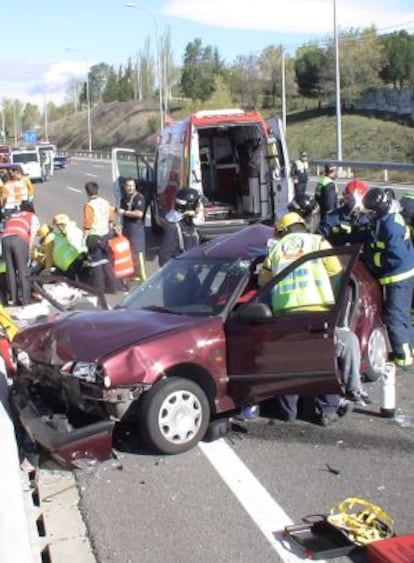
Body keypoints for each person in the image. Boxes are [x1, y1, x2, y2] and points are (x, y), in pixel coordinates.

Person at [258, 211, 358, 425]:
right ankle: (327, 411)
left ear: (282, 231)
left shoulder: (276, 249)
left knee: (288, 364)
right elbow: (336, 268)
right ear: (302, 226)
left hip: (286, 312)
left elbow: (263, 281)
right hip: (317, 308)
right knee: (320, 360)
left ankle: (288, 412)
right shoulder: (317, 241)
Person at [361, 187, 414, 372]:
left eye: (372, 211)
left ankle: (404, 361)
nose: (370, 215)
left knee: (395, 318)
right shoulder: (385, 218)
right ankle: (409, 349)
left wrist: (372, 260)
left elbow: (395, 256)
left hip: (398, 277)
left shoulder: (391, 225)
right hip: (397, 276)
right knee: (401, 316)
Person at [1, 201, 39, 305]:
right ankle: (26, 299)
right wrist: (29, 250)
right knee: (23, 270)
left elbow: (4, 228)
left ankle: (14, 299)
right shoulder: (32, 216)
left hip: (5, 239)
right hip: (19, 239)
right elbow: (32, 235)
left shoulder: (12, 216)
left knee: (11, 270)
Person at [83, 181, 118, 293]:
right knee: (107, 261)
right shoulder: (105, 202)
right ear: (98, 191)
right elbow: (111, 218)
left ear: (87, 193)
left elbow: (88, 224)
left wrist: (83, 239)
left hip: (94, 236)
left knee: (96, 263)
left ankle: (99, 288)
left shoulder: (89, 206)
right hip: (106, 235)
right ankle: (113, 286)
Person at [318, 179, 370, 246]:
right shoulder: (333, 218)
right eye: (350, 199)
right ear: (345, 197)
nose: (354, 203)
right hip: (338, 254)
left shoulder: (371, 219)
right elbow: (319, 236)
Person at [159, 187, 201, 267]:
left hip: (192, 272)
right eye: (197, 204)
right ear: (190, 206)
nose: (199, 207)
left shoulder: (191, 226)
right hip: (181, 274)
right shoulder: (174, 228)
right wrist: (178, 275)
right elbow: (164, 257)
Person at [117, 177, 146, 281]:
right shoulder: (124, 198)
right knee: (129, 251)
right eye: (128, 186)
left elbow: (139, 214)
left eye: (132, 185)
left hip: (136, 227)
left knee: (138, 252)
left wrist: (124, 212)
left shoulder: (139, 198)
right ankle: (133, 273)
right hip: (127, 226)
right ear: (124, 187)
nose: (130, 188)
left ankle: (142, 276)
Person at [50, 214, 87, 280]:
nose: (58, 228)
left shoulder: (71, 232)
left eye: (58, 226)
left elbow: (77, 247)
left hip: (75, 261)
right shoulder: (69, 232)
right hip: (73, 261)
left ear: (62, 225)